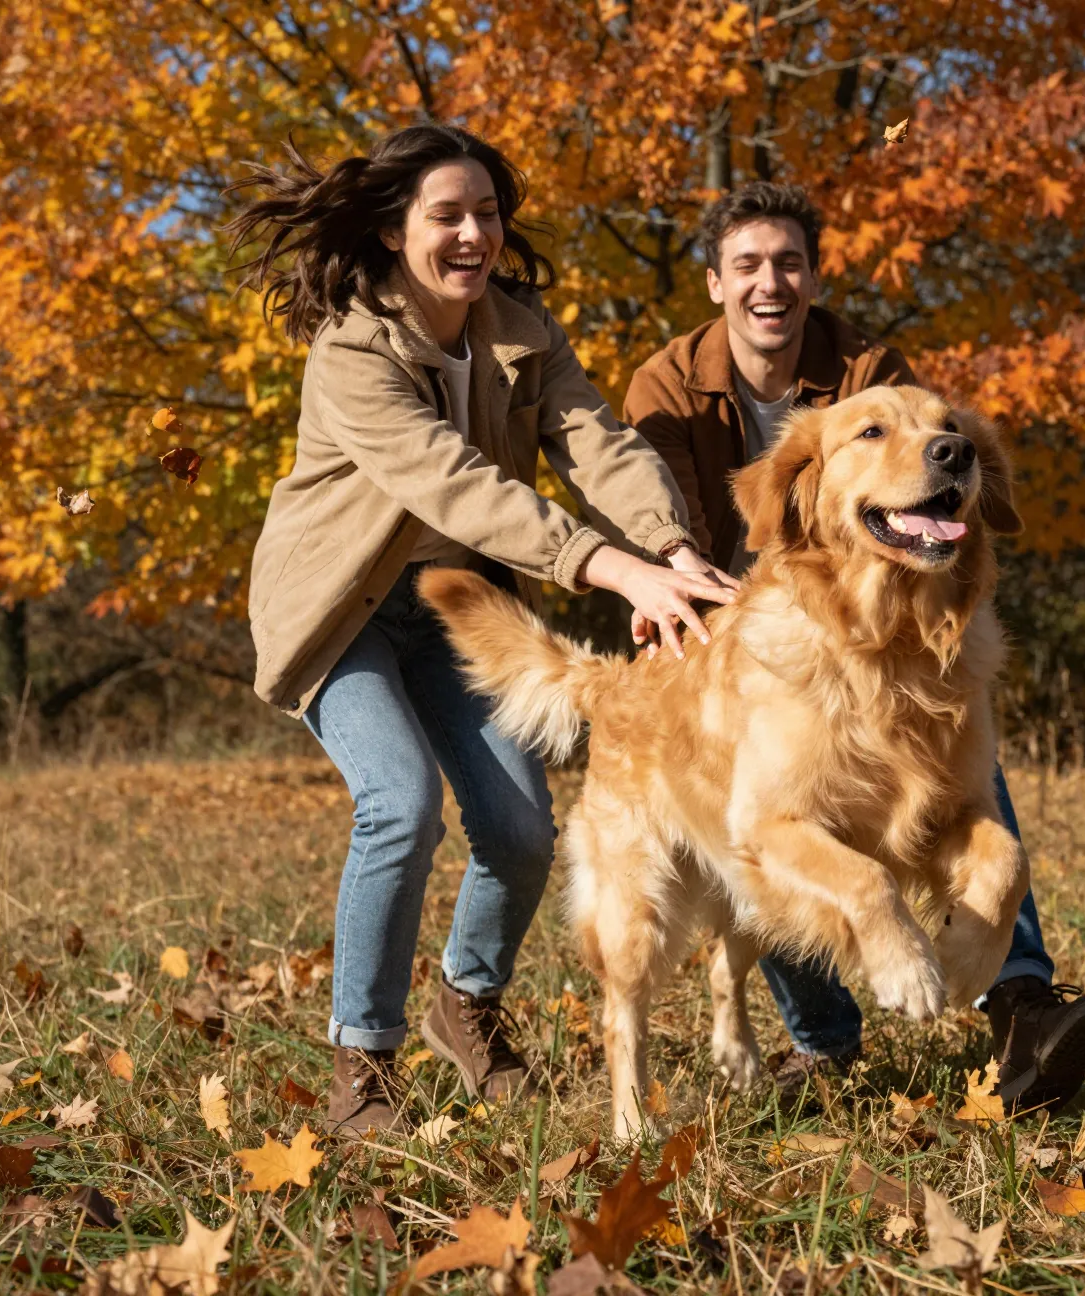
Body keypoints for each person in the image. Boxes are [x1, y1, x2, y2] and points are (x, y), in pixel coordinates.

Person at [230, 126, 736, 1137]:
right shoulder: (349, 350)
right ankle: (361, 1066)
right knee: (401, 806)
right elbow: (452, 484)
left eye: (488, 214)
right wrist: (607, 566)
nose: (473, 234)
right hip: (346, 615)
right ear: (390, 229)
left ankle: (464, 1005)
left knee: (519, 830)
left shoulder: (522, 332)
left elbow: (597, 442)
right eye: (446, 215)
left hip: (457, 612)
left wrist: (668, 548)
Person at [623, 181, 1085, 1114]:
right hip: (740, 619)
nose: (769, 282)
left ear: (812, 278)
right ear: (714, 283)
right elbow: (661, 517)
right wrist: (683, 582)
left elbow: (928, 470)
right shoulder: (664, 386)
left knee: (961, 769)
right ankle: (824, 1042)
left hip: (891, 627)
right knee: (768, 809)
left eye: (788, 263)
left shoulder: (871, 370)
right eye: (748, 266)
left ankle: (1019, 1003)